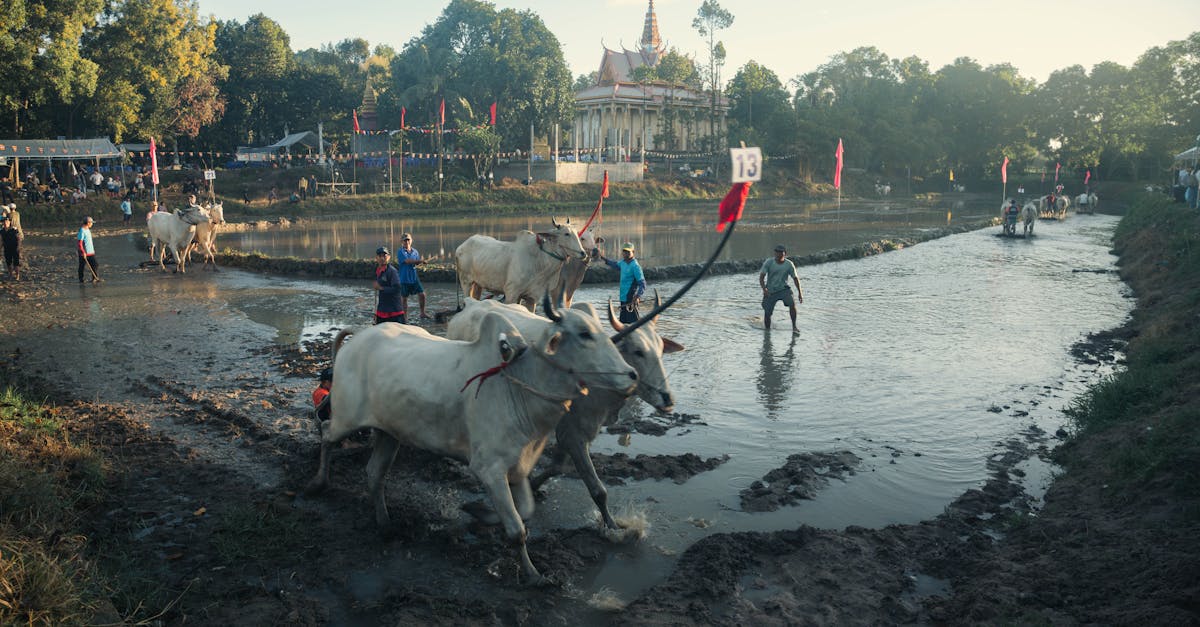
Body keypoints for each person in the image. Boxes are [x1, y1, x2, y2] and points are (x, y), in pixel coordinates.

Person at [759, 244, 803, 333]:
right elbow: (761, 277)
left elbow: (795, 278)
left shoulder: (789, 264)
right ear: (774, 253)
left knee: (792, 303)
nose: (778, 255)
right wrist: (764, 289)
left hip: (783, 289)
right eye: (777, 253)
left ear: (785, 254)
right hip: (770, 290)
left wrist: (800, 293)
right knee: (767, 312)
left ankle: (794, 326)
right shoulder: (769, 262)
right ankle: (767, 331)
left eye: (780, 253)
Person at [601, 241, 645, 323]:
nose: (626, 253)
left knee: (633, 324)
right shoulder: (623, 263)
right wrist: (603, 258)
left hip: (631, 299)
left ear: (633, 252)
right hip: (623, 298)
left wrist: (638, 296)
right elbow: (614, 264)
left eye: (628, 252)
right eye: (624, 251)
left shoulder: (635, 266)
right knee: (623, 324)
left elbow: (642, 284)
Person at [395, 233, 430, 319]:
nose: (407, 242)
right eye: (405, 240)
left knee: (422, 295)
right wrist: (420, 261)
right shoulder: (400, 251)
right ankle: (405, 317)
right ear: (401, 242)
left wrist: (421, 262)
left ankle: (422, 313)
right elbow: (407, 261)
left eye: (408, 240)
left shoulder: (415, 252)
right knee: (404, 299)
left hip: (414, 277)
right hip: (404, 278)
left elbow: (415, 263)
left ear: (411, 241)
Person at [373, 246, 405, 324]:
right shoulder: (378, 271)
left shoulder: (392, 271)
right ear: (376, 258)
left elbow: (397, 288)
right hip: (382, 310)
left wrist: (381, 288)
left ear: (389, 257)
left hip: (394, 311)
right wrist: (376, 313)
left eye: (384, 256)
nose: (382, 258)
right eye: (380, 256)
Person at [77, 216, 99, 283]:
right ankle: (81, 279)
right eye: (91, 223)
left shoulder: (87, 230)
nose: (92, 224)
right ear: (88, 223)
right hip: (84, 253)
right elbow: (79, 243)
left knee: (95, 265)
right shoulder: (82, 231)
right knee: (82, 266)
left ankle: (94, 278)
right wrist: (83, 252)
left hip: (91, 252)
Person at [1, 214, 21, 280]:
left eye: (6, 221)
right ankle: (10, 274)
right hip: (6, 248)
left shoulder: (14, 229)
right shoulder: (2, 231)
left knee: (16, 263)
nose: (5, 222)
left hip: (14, 248)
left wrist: (18, 246)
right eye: (4, 221)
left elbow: (18, 238)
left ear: (9, 222)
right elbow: (1, 241)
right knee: (8, 262)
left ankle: (17, 275)